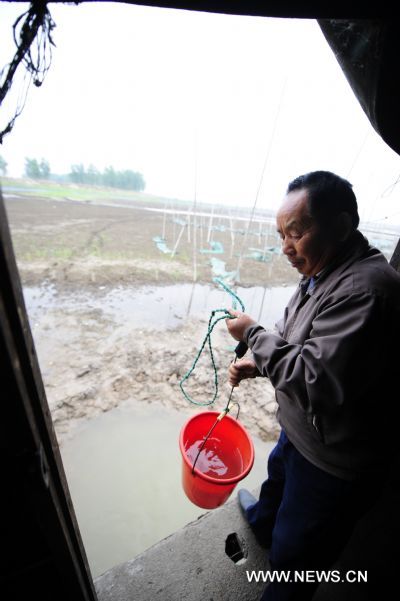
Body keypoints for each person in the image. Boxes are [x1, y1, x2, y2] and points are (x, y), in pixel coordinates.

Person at [225, 170, 400, 601]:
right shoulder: (322, 272)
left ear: (341, 226)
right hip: (302, 432)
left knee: (298, 554)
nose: (286, 246)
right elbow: (292, 336)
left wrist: (252, 335)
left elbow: (314, 378)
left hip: (332, 461)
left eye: (297, 232)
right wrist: (258, 363)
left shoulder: (366, 291)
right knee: (276, 484)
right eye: (282, 234)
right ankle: (264, 523)